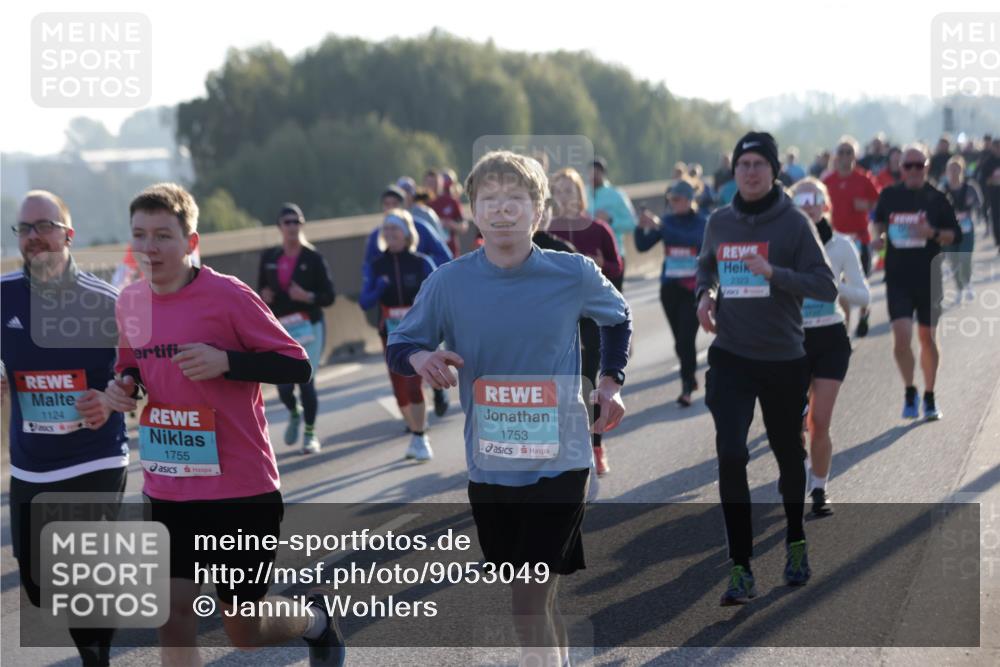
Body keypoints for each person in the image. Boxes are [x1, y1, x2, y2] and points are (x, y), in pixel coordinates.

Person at [387, 151, 631, 667]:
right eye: (490, 200)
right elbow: (400, 343)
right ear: (473, 210)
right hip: (492, 466)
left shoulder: (572, 273)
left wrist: (610, 381)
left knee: (525, 602)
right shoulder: (448, 283)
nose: (502, 211)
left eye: (515, 199)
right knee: (538, 599)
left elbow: (617, 317)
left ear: (538, 211)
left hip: (562, 461)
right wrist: (423, 354)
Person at [103, 183, 345, 667]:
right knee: (172, 620)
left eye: (163, 236)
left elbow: (297, 366)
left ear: (191, 243)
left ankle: (316, 622)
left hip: (239, 488)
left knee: (245, 631)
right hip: (168, 487)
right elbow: (132, 363)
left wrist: (227, 361)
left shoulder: (228, 295)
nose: (149, 248)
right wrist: (124, 386)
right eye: (140, 235)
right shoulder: (130, 302)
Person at [695, 131, 837, 605]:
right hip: (731, 356)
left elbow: (825, 286)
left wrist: (775, 274)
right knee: (731, 454)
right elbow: (706, 267)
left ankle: (796, 537)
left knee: (786, 453)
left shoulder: (795, 224)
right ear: (733, 171)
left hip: (782, 357)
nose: (750, 171)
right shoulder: (719, 221)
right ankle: (740, 567)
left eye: (759, 163)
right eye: (743, 164)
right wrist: (705, 295)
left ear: (774, 171)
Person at [2, 190, 128, 667]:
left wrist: (112, 397)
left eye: (44, 227)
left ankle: (97, 658)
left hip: (95, 454)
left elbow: (139, 378)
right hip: (32, 465)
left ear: (68, 234)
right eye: (25, 229)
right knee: (37, 581)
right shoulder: (3, 296)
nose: (34, 238)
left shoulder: (107, 302)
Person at [789, 178, 870, 517]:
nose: (809, 207)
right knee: (792, 427)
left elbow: (864, 295)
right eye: (802, 201)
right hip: (790, 341)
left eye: (815, 201)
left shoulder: (841, 246)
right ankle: (795, 476)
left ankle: (819, 488)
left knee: (819, 422)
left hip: (830, 339)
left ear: (825, 206)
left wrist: (834, 288)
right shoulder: (783, 246)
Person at [872, 144, 961, 421]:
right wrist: (879, 238)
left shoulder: (937, 198)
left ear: (927, 167)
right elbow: (878, 222)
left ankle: (930, 396)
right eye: (907, 165)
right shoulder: (889, 195)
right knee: (901, 339)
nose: (912, 170)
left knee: (927, 337)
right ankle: (910, 390)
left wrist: (931, 232)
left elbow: (954, 235)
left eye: (918, 165)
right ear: (901, 168)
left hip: (929, 277)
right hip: (898, 277)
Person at [548, 167, 625, 476]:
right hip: (555, 318)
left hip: (591, 317)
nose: (565, 196)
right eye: (559, 190)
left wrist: (601, 266)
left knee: (588, 380)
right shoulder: (543, 231)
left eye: (570, 190)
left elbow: (617, 269)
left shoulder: (597, 229)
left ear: (581, 194)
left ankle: (595, 446)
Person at [364, 186, 453, 418]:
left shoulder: (422, 230)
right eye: (386, 204)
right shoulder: (376, 243)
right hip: (390, 326)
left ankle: (420, 429)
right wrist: (378, 287)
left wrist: (424, 276)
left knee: (415, 381)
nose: (391, 207)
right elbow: (366, 291)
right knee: (400, 384)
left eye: (395, 202)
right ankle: (414, 423)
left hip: (419, 320)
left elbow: (446, 261)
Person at [358, 209, 437, 461]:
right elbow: (363, 301)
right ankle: (415, 432)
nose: (390, 233)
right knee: (399, 389)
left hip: (418, 332)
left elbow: (437, 295)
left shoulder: (421, 262)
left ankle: (420, 435)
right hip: (390, 333)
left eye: (395, 228)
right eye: (387, 229)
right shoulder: (376, 265)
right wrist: (379, 288)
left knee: (414, 384)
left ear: (406, 233)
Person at [258, 203, 336, 454]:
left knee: (306, 380)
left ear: (302, 225)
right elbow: (258, 292)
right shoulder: (269, 258)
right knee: (283, 385)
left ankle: (310, 434)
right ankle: (294, 411)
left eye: (296, 221)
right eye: (287, 222)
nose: (292, 226)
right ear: (279, 227)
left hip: (310, 326)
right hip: (282, 328)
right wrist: (264, 295)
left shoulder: (313, 257)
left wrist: (308, 296)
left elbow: (329, 296)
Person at [635, 178, 707, 407]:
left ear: (689, 200)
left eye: (677, 199)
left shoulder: (701, 222)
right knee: (678, 341)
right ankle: (689, 375)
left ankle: (686, 386)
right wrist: (642, 225)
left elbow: (691, 240)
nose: (673, 203)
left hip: (693, 289)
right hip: (670, 289)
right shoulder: (666, 221)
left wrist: (662, 227)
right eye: (670, 199)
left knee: (687, 338)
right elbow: (643, 245)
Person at [823, 136, 880, 336]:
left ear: (855, 156)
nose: (845, 156)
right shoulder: (827, 181)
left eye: (849, 152)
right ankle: (845, 330)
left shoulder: (864, 179)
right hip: (835, 241)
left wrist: (865, 206)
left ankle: (864, 313)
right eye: (842, 152)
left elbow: (877, 203)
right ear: (836, 156)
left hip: (859, 238)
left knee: (859, 281)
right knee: (839, 286)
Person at [588, 157, 638, 289]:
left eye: (596, 173)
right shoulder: (583, 194)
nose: (593, 176)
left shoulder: (616, 195)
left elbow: (632, 223)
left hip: (613, 255)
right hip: (589, 256)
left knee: (615, 301)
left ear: (603, 173)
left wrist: (611, 220)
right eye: (590, 172)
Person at [941, 156, 982, 303]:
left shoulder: (970, 188)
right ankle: (959, 288)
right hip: (949, 231)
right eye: (951, 169)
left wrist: (969, 211)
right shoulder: (942, 190)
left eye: (957, 169)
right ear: (946, 171)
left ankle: (968, 283)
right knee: (953, 260)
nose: (954, 172)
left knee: (965, 257)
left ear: (962, 170)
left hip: (966, 228)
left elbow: (979, 204)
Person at [430, 169, 469, 257]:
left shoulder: (452, 202)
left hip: (450, 250)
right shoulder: (426, 202)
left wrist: (452, 224)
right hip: (431, 251)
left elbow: (463, 226)